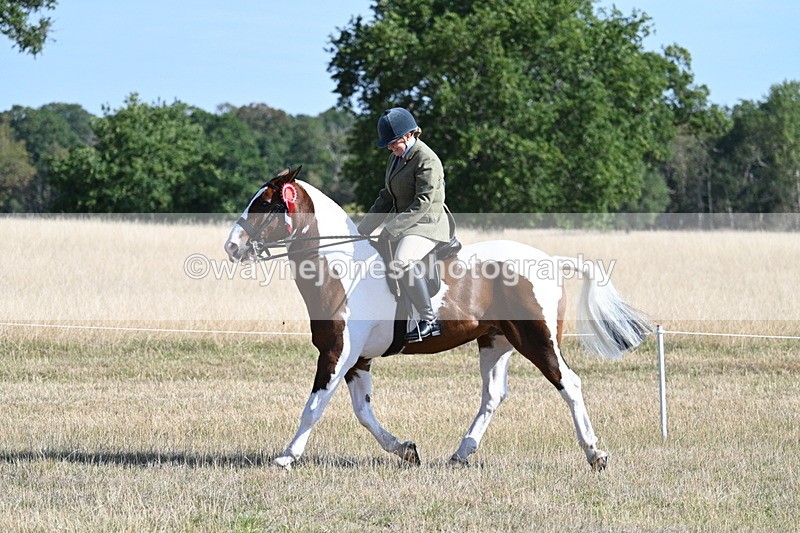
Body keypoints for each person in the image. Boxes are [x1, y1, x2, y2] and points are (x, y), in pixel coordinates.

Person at [358, 107, 454, 342]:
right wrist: (360, 231)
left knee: (402, 261)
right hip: (408, 223)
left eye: (393, 143)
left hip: (428, 224)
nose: (390, 148)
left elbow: (423, 203)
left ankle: (428, 320)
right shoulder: (396, 158)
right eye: (388, 144)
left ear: (409, 135)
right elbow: (386, 197)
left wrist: (392, 229)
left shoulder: (427, 159)